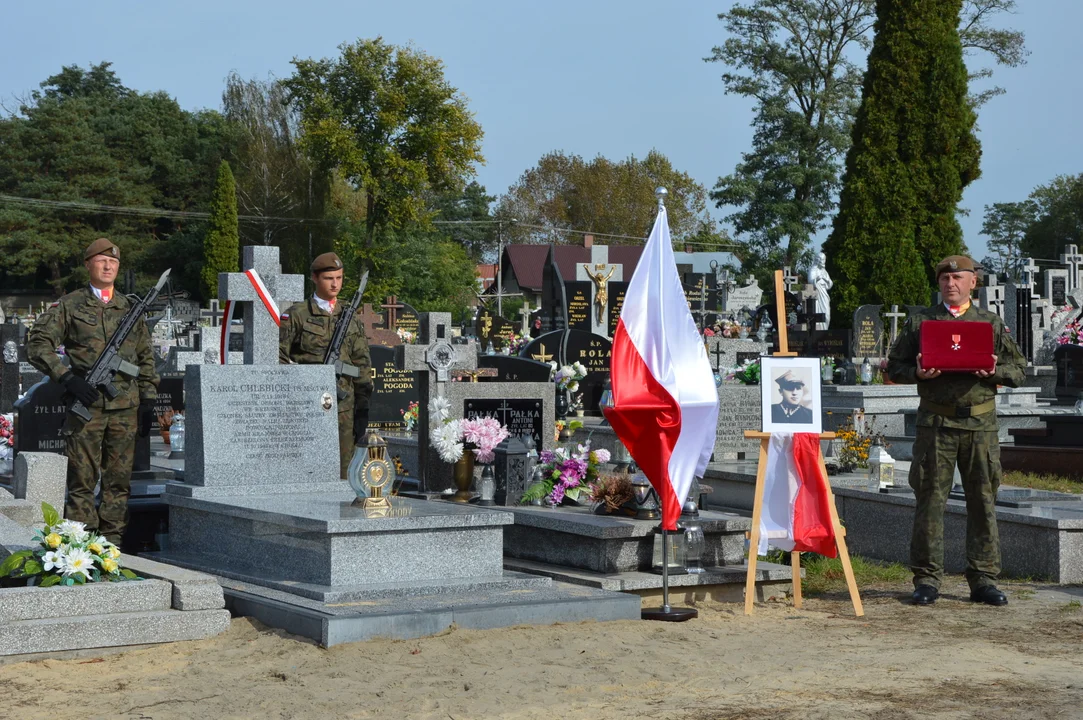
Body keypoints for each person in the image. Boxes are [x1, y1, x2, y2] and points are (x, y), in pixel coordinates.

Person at [887, 255, 1025, 607]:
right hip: (936, 425)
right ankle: (927, 579)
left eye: (958, 278)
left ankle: (983, 580)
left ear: (972, 283)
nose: (951, 283)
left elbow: (1018, 370)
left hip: (980, 426)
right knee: (931, 502)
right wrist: (917, 374)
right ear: (939, 284)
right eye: (945, 278)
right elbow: (895, 366)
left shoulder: (990, 324)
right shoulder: (921, 323)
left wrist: (993, 372)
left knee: (983, 501)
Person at [26, 238, 158, 546]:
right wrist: (67, 377)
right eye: (101, 260)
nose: (108, 265)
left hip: (125, 408)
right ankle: (80, 548)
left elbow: (145, 356)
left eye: (113, 262)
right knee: (82, 482)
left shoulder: (130, 307)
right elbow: (37, 344)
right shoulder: (71, 304)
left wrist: (149, 398)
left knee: (118, 483)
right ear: (88, 265)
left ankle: (112, 549)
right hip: (87, 407)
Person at [279, 252, 373, 478]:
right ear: (314, 278)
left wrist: (363, 405)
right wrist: (300, 383)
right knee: (307, 465)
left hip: (344, 406)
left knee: (344, 469)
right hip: (307, 403)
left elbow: (361, 362)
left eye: (339, 278)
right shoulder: (297, 314)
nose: (335, 284)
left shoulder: (349, 316)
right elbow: (278, 356)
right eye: (329, 278)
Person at [810, 251, 833, 330]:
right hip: (817, 294)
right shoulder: (813, 270)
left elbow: (830, 284)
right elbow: (810, 280)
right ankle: (820, 331)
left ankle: (824, 331)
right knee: (819, 314)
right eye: (822, 260)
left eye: (824, 260)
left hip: (824, 294)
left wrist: (827, 280)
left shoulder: (824, 271)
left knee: (827, 315)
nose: (824, 262)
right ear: (818, 260)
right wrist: (818, 278)